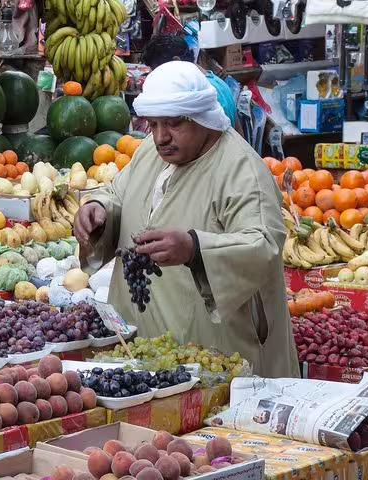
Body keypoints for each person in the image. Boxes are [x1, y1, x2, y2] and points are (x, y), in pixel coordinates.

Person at [74, 61, 299, 379]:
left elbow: (264, 245)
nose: (161, 137)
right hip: (148, 348)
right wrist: (97, 209)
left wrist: (195, 248)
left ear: (202, 117)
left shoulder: (241, 170)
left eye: (174, 124)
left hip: (216, 356)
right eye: (153, 125)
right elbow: (119, 193)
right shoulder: (150, 152)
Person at [141, 34, 239, 132]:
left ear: (176, 62)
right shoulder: (219, 83)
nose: (154, 77)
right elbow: (239, 133)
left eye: (156, 71)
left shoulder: (198, 92)